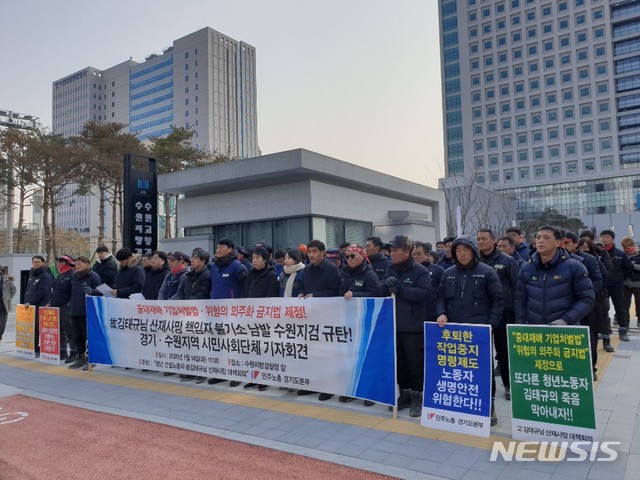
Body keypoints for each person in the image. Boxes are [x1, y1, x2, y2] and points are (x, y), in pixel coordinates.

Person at [437, 235, 503, 425]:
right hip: (454, 331)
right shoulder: (448, 273)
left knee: (483, 368)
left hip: (478, 330)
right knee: (456, 368)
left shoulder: (487, 272)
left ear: (473, 251)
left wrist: (490, 325)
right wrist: (441, 313)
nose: (462, 254)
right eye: (458, 250)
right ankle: (461, 403)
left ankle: (488, 404)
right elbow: (440, 297)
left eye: (466, 250)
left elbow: (497, 302)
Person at [381, 235, 431, 417]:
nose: (392, 253)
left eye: (396, 250)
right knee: (399, 363)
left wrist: (400, 289)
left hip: (412, 326)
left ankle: (417, 395)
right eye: (391, 250)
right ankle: (404, 393)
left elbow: (424, 293)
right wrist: (385, 286)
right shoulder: (390, 268)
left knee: (414, 363)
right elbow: (382, 289)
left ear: (406, 251)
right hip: (394, 324)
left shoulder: (420, 271)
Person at [516, 226, 595, 326]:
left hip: (565, 329)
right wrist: (521, 324)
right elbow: (520, 301)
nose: (540, 241)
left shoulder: (574, 267)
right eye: (538, 237)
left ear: (557, 243)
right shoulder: (526, 268)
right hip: (534, 330)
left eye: (546, 238)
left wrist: (565, 320)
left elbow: (587, 299)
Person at [476, 229, 518, 401]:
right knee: (480, 351)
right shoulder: (474, 260)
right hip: (480, 314)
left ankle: (508, 384)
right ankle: (483, 385)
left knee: (503, 351)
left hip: (503, 313)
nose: (480, 242)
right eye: (478, 239)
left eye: (484, 238)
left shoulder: (507, 261)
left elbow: (516, 287)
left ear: (493, 240)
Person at [297, 239, 341, 399]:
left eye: (315, 251)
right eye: (309, 252)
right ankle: (313, 384)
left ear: (323, 253)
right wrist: (302, 293)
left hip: (327, 316)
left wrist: (316, 296)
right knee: (312, 352)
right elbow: (302, 286)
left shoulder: (332, 269)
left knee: (326, 353)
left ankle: (328, 387)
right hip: (310, 317)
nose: (311, 255)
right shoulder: (307, 269)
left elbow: (336, 291)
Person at [338, 244, 381, 406]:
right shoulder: (343, 273)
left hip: (365, 322)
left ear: (362, 257)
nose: (349, 259)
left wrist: (355, 295)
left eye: (352, 256)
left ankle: (371, 392)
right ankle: (353, 390)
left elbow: (376, 294)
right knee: (351, 357)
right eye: (347, 257)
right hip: (348, 322)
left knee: (367, 357)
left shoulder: (369, 275)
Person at [207, 238, 247, 386]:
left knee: (233, 344)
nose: (218, 250)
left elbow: (244, 290)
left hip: (233, 314)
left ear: (230, 249)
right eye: (217, 247)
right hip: (215, 312)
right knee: (219, 343)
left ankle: (237, 374)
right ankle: (220, 373)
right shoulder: (213, 267)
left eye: (222, 247)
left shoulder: (238, 267)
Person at [565, 232, 603, 379]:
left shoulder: (588, 260)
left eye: (567, 242)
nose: (563, 245)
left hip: (587, 307)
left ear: (576, 244)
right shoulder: (555, 260)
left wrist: (584, 297)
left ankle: (591, 367)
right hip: (565, 307)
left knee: (588, 338)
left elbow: (598, 281)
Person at [242, 246, 280, 391]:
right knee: (252, 350)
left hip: (263, 320)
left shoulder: (270, 275)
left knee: (264, 351)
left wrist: (261, 314)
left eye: (257, 258)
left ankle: (265, 379)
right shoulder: (250, 274)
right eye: (253, 258)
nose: (255, 261)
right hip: (249, 318)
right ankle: (253, 378)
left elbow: (271, 298)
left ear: (265, 259)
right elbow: (244, 293)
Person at [175, 249, 212, 383]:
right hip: (186, 314)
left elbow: (203, 294)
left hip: (200, 315)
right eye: (191, 257)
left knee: (200, 345)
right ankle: (191, 370)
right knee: (189, 344)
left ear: (203, 262)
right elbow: (180, 293)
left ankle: (202, 371)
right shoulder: (188, 276)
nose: (192, 260)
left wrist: (188, 305)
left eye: (195, 258)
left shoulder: (207, 276)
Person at [67, 256, 101, 370]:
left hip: (87, 312)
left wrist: (92, 291)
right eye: (75, 264)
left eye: (79, 264)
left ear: (87, 264)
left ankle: (92, 359)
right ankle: (81, 357)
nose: (76, 266)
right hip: (75, 310)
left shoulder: (93, 276)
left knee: (88, 336)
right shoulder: (74, 277)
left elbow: (100, 292)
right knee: (78, 337)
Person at [600, 229, 632, 341]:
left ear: (612, 238)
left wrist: (620, 279)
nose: (604, 238)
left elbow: (627, 268)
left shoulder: (620, 253)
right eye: (602, 236)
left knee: (620, 308)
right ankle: (603, 331)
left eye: (607, 236)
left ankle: (623, 331)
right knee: (603, 309)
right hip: (602, 285)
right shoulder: (598, 253)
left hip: (617, 285)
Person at [24, 255, 54, 357]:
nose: (35, 264)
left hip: (40, 306)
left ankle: (39, 349)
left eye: (38, 262)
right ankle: (33, 347)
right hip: (30, 306)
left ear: (43, 263)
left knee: (38, 328)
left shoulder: (45, 275)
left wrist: (31, 302)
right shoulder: (32, 273)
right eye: (34, 262)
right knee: (32, 328)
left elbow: (43, 291)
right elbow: (29, 290)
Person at [50, 255, 76, 362]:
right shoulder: (60, 275)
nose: (59, 263)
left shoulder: (72, 274)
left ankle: (74, 352)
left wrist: (70, 303)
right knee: (59, 330)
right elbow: (55, 291)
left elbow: (74, 291)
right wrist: (50, 303)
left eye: (62, 261)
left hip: (66, 307)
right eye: (58, 261)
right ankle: (62, 351)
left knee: (69, 330)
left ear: (68, 262)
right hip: (57, 306)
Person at [621, 236, 640, 329]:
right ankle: (626, 322)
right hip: (625, 283)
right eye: (625, 248)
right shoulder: (622, 255)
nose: (627, 250)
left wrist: (632, 265)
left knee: (639, 303)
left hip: (638, 283)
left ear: (633, 246)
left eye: (628, 248)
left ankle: (639, 320)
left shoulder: (639, 254)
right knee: (625, 305)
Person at [0, 267, 17, 343]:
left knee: (2, 323)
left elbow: (13, 290)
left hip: (3, 305)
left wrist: (8, 298)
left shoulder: (7, 280)